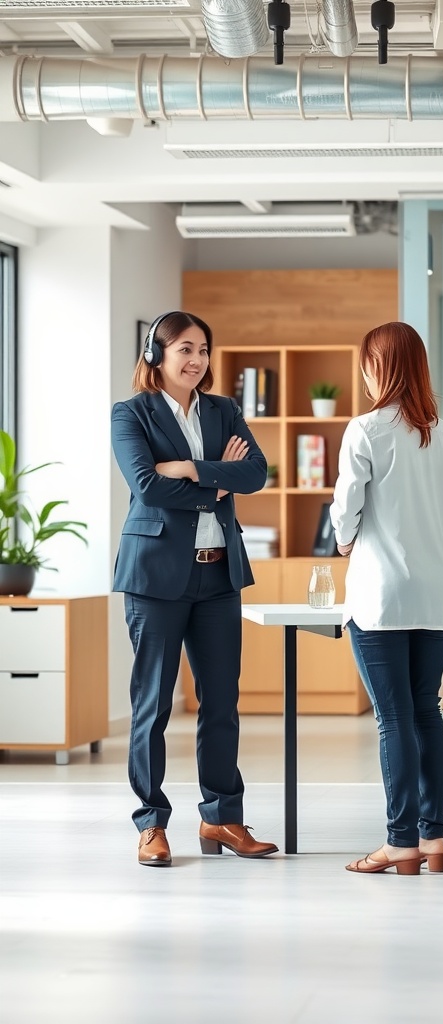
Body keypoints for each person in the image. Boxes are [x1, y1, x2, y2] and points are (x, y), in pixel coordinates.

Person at [111, 310, 279, 866]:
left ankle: (222, 819)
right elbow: (147, 487)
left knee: (221, 703)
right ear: (155, 353)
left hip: (217, 575)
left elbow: (256, 475)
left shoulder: (225, 410)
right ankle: (151, 824)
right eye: (184, 348)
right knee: (153, 704)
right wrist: (215, 480)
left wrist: (188, 466)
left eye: (203, 349)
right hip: (156, 577)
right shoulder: (131, 413)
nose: (197, 360)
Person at [330, 321, 443, 876]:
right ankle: (434, 839)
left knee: (394, 720)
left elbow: (345, 511)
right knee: (426, 713)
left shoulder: (365, 430)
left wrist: (344, 541)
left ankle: (400, 843)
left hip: (380, 594)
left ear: (377, 368)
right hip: (434, 594)